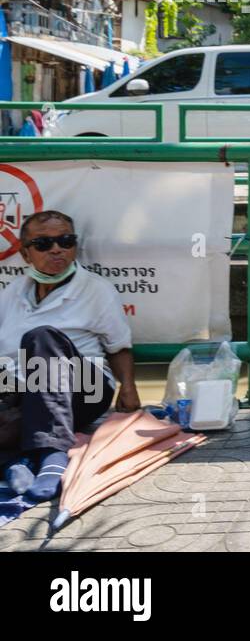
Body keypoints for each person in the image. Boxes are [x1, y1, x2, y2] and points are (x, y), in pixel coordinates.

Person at [0, 211, 139, 501]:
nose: (56, 249)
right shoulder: (11, 293)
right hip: (24, 390)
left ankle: (53, 455)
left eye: (66, 241)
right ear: (26, 254)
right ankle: (17, 461)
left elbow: (119, 347)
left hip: (83, 388)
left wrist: (128, 389)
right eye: (43, 244)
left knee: (41, 337)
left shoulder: (95, 290)